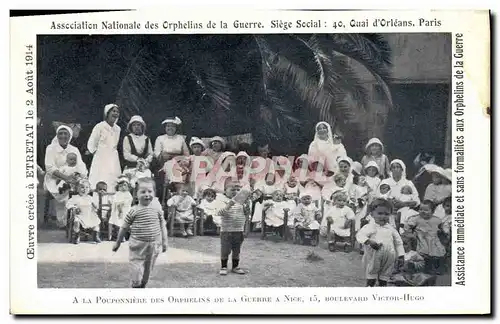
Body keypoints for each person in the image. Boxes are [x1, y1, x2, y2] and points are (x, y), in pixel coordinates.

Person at [112, 178, 168, 288]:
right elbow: (124, 227)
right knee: (136, 267)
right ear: (136, 194)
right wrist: (118, 243)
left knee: (148, 268)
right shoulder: (134, 210)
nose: (147, 195)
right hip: (138, 245)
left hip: (154, 244)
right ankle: (135, 283)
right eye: (143, 192)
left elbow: (162, 225)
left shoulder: (157, 208)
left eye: (150, 191)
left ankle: (143, 284)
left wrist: (165, 241)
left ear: (154, 193)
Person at [44, 125, 88, 228]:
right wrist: (65, 178)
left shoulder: (74, 149)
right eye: (60, 133)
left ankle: (79, 218)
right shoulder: (51, 148)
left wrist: (79, 176)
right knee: (63, 190)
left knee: (83, 188)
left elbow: (81, 165)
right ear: (57, 135)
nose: (63, 136)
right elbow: (49, 168)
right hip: (54, 179)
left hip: (72, 178)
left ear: (70, 136)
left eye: (66, 134)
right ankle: (64, 221)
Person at [356, 198, 405, 287]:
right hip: (374, 255)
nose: (383, 216)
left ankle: (382, 287)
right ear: (372, 214)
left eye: (386, 214)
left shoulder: (391, 229)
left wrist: (401, 255)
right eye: (380, 213)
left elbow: (398, 242)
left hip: (389, 256)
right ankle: (369, 286)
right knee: (372, 273)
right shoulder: (370, 227)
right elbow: (360, 235)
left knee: (385, 275)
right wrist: (369, 241)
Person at [405, 200, 446, 275]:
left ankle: (437, 267)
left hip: (434, 238)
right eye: (421, 209)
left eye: (426, 210)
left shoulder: (436, 220)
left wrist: (442, 231)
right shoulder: (416, 219)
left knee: (438, 251)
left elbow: (442, 227)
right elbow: (408, 226)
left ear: (432, 211)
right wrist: (410, 233)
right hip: (422, 237)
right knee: (424, 253)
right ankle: (427, 268)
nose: (423, 211)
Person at [87, 103, 121, 191]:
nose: (116, 114)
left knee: (112, 181)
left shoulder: (118, 129)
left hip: (113, 158)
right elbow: (92, 143)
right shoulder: (99, 126)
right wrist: (98, 153)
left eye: (117, 112)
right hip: (101, 158)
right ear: (107, 113)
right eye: (113, 111)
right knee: (100, 180)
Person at [218, 179, 248, 275]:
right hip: (226, 230)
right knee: (225, 250)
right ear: (225, 190)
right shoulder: (222, 200)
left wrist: (247, 209)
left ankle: (235, 266)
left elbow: (246, 214)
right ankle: (223, 266)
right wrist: (229, 205)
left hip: (239, 229)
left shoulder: (242, 202)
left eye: (238, 190)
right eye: (232, 189)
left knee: (236, 250)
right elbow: (220, 212)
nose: (235, 192)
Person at [66, 179, 101, 244]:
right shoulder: (75, 197)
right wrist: (74, 207)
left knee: (96, 223)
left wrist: (95, 206)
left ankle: (95, 235)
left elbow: (95, 205)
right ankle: (77, 236)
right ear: (77, 189)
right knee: (76, 222)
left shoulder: (90, 198)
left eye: (87, 187)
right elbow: (68, 204)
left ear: (89, 189)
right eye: (82, 187)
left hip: (89, 215)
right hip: (80, 215)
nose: (84, 189)